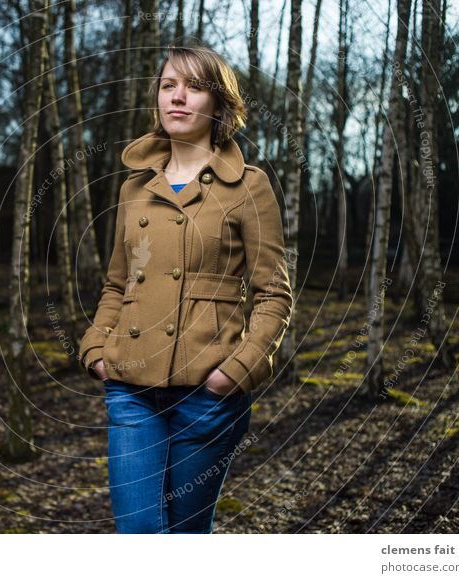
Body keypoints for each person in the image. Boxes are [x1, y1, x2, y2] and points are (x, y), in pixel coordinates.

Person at [78, 45, 292, 533]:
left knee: (187, 537)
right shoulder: (134, 187)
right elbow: (118, 281)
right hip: (131, 388)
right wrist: (96, 349)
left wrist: (237, 370)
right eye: (168, 85)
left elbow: (273, 293)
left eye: (194, 87)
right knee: (140, 533)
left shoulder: (249, 187)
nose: (178, 97)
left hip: (208, 394)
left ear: (219, 105)